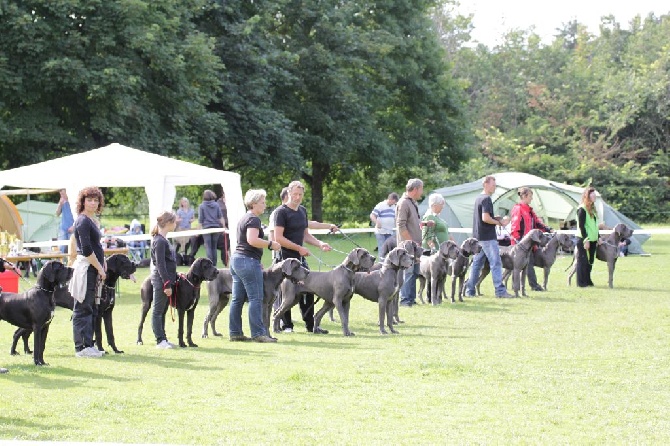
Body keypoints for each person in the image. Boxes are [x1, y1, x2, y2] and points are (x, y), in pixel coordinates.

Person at [274, 180, 336, 333]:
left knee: (309, 288)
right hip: (285, 259)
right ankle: (286, 325)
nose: (297, 197)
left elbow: (306, 235)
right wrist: (298, 248)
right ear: (288, 193)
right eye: (294, 194)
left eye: (300, 194)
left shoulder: (302, 211)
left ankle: (311, 325)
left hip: (299, 259)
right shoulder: (280, 212)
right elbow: (278, 238)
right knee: (287, 292)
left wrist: (320, 244)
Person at [229, 189, 281, 343]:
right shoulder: (254, 220)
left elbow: (246, 242)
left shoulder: (244, 218)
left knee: (237, 299)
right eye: (262, 202)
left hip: (237, 260)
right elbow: (252, 240)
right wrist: (271, 244)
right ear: (253, 204)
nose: (265, 205)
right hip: (247, 261)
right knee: (256, 298)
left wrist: (256, 259)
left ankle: (235, 332)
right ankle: (258, 334)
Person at [68, 187, 106, 358]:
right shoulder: (82, 221)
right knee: (82, 307)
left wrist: (101, 264)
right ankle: (81, 347)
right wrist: (99, 267)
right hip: (86, 268)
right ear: (83, 202)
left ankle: (88, 344)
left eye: (95, 200)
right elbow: (86, 248)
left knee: (89, 307)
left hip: (93, 268)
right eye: (89, 200)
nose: (93, 203)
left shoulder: (91, 220)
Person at [464, 176, 514, 298]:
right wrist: (499, 222)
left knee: (476, 264)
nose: (494, 187)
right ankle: (500, 291)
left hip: (478, 237)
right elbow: (485, 218)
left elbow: (484, 217)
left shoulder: (478, 198)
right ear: (485, 184)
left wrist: (494, 218)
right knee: (495, 263)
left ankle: (469, 290)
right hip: (487, 237)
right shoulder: (486, 199)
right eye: (493, 184)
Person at [509, 187, 552, 291]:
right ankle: (534, 286)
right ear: (524, 196)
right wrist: (518, 241)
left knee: (527, 264)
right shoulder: (518, 209)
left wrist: (548, 229)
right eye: (530, 196)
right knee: (526, 265)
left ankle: (521, 285)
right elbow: (515, 227)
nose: (531, 199)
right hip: (521, 245)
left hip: (529, 245)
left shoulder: (529, 210)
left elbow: (537, 223)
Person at [150, 211, 178, 348]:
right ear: (168, 223)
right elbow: (160, 264)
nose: (176, 224)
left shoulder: (163, 240)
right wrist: (166, 283)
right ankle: (160, 340)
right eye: (174, 221)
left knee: (163, 310)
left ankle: (163, 338)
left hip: (167, 279)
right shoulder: (159, 241)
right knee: (158, 311)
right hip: (161, 281)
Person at [396, 178, 425, 307]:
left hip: (416, 246)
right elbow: (401, 225)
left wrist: (423, 224)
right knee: (408, 272)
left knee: (414, 272)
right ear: (415, 189)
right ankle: (405, 300)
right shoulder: (403, 203)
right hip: (408, 246)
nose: (422, 192)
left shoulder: (413, 203)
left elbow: (412, 222)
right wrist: (411, 242)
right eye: (421, 189)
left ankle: (411, 299)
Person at [575, 187, 599, 287]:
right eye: (592, 194)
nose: (594, 196)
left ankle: (588, 280)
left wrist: (599, 237)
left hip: (593, 239)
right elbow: (581, 226)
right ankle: (581, 283)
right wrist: (586, 240)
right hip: (584, 239)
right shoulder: (582, 209)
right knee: (583, 261)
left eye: (594, 194)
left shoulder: (593, 209)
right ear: (587, 196)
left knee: (590, 261)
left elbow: (595, 225)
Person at [198, 189, 225, 267]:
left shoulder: (202, 206)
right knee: (214, 246)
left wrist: (198, 231)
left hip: (206, 228)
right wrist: (223, 227)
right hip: (216, 227)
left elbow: (200, 219)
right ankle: (214, 264)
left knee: (208, 246)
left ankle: (210, 264)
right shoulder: (216, 205)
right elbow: (220, 217)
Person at [370, 192, 399, 260]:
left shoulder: (394, 207)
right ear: (391, 199)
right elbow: (372, 215)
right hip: (381, 232)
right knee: (382, 249)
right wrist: (377, 222)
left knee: (391, 249)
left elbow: (395, 218)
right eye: (394, 202)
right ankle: (381, 264)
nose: (394, 203)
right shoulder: (380, 205)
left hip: (390, 232)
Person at [55, 189, 74, 253]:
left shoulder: (74, 201)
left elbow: (80, 215)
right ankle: (62, 262)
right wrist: (60, 204)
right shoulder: (62, 201)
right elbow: (57, 213)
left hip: (73, 228)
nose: (62, 196)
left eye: (63, 194)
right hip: (63, 228)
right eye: (61, 194)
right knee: (61, 248)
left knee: (73, 248)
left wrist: (74, 226)